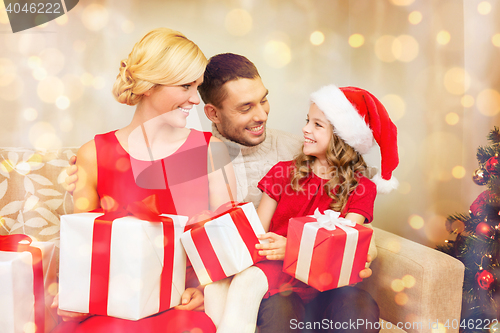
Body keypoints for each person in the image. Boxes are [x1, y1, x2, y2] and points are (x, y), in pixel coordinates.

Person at [65, 53, 380, 332]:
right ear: (213, 113)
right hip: (272, 279)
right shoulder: (206, 154)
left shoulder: (295, 149)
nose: (262, 115)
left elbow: (356, 234)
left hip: (319, 279)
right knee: (280, 309)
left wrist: (356, 247)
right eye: (246, 107)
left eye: (263, 100)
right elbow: (243, 235)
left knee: (358, 310)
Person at [53, 28, 236, 333]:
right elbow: (85, 250)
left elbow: (226, 243)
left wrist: (206, 291)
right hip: (112, 305)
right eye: (185, 86)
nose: (195, 99)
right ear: (149, 85)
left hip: (179, 303)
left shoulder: (211, 152)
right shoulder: (93, 154)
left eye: (198, 87)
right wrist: (71, 297)